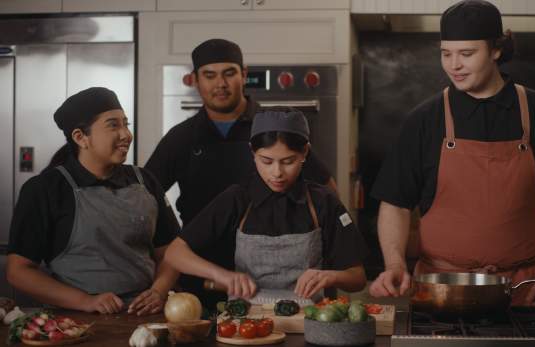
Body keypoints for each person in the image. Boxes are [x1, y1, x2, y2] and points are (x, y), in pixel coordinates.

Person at [369, 0, 535, 306]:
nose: (453, 65)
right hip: (440, 290)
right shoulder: (424, 120)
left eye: (466, 54)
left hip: (527, 289)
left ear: (496, 50)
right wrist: (394, 265)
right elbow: (395, 203)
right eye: (446, 54)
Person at [165, 108, 367, 303]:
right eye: (266, 161)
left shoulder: (324, 202)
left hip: (309, 322)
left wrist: (330, 277)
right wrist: (222, 275)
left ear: (305, 152)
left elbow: (357, 278)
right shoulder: (237, 198)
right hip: (246, 325)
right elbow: (175, 253)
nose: (277, 172)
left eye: (288, 161)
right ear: (253, 152)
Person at [7, 87, 180, 315]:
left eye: (126, 124)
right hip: (75, 321)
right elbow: (18, 271)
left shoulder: (145, 181)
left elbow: (170, 252)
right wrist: (85, 301)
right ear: (81, 137)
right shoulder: (44, 190)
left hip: (145, 317)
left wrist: (158, 291)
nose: (126, 134)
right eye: (113, 125)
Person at [144, 38, 336, 226]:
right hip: (197, 252)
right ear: (195, 80)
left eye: (229, 73)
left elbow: (329, 194)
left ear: (243, 75)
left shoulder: (277, 127)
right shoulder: (181, 138)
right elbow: (144, 196)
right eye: (210, 75)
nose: (221, 84)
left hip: (269, 250)